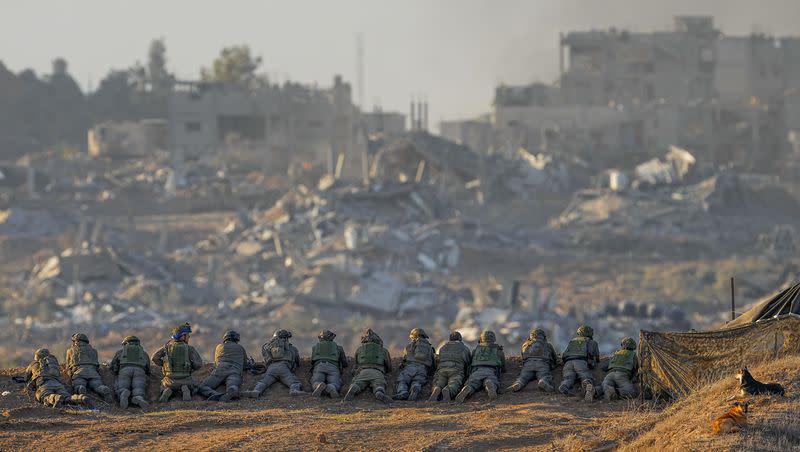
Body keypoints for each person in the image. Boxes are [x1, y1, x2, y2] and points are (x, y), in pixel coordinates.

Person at [243, 329, 304, 397]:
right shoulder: (293, 348)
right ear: (287, 338)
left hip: (271, 369)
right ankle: (294, 390)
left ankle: (256, 390)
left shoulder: (267, 347)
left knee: (263, 382)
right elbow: (297, 362)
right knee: (294, 382)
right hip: (284, 368)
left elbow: (266, 359)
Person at [152, 322, 203, 402]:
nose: (189, 336)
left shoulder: (166, 347)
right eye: (187, 335)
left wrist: (164, 364)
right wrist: (191, 366)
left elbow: (154, 358)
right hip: (186, 380)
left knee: (163, 385)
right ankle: (185, 390)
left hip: (170, 381)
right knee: (195, 387)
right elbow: (198, 365)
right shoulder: (189, 349)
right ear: (182, 336)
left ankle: (167, 391)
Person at [25, 348, 90, 408]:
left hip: (45, 385)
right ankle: (80, 398)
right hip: (58, 384)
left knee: (44, 396)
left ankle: (56, 398)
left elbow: (26, 377)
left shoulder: (33, 364)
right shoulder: (53, 362)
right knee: (67, 397)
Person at [343, 329, 393, 404]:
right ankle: (379, 392)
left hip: (363, 372)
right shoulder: (383, 350)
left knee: (358, 383)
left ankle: (354, 388)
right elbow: (389, 366)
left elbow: (356, 364)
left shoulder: (359, 349)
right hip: (377, 372)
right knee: (379, 384)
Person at [454, 331, 506, 403]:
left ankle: (468, 388)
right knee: (492, 380)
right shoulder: (498, 350)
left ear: (482, 339)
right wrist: (503, 370)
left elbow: (470, 362)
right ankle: (490, 385)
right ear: (493, 339)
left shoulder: (476, 350)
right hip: (491, 370)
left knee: (472, 383)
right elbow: (502, 364)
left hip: (477, 370)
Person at [198, 330, 249, 402]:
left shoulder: (219, 347)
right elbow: (245, 365)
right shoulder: (240, 348)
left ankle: (214, 394)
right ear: (236, 339)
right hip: (234, 372)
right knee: (233, 386)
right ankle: (231, 392)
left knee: (203, 386)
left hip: (220, 371)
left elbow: (216, 363)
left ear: (225, 338)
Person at [66, 333, 113, 403]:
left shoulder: (70, 350)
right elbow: (97, 365)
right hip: (93, 372)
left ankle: (80, 388)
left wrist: (70, 377)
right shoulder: (93, 351)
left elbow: (68, 366)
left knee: (78, 384)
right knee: (97, 385)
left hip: (79, 372)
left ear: (76, 341)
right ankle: (103, 389)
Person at [506, 328, 558, 393]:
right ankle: (543, 381)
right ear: (543, 337)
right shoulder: (548, 345)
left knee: (522, 377)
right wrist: (554, 365)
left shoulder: (525, 345)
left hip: (528, 365)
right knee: (544, 376)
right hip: (542, 365)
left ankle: (518, 384)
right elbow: (555, 358)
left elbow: (523, 357)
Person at [558, 325, 600, 402]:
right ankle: (587, 384)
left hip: (568, 363)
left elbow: (564, 355)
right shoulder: (592, 342)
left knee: (568, 378)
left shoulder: (572, 341)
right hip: (581, 362)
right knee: (585, 375)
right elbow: (596, 357)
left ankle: (564, 385)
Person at [393, 328, 436, 401]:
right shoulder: (430, 348)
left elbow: (405, 359)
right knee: (417, 381)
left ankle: (402, 391)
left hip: (410, 367)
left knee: (402, 380)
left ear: (413, 336)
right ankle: (415, 387)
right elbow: (432, 363)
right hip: (422, 369)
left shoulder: (409, 346)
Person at [429, 331, 471, 402]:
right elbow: (468, 361)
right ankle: (448, 390)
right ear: (460, 339)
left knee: (438, 382)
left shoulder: (443, 347)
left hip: (442, 369)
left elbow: (439, 359)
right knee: (454, 383)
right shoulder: (464, 348)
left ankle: (437, 389)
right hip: (456, 370)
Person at [109, 335, 151, 409]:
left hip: (125, 370)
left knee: (122, 386)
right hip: (140, 371)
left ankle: (123, 392)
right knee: (139, 388)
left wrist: (116, 372)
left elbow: (113, 365)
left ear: (125, 343)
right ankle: (138, 397)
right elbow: (148, 368)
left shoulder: (120, 351)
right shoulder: (144, 353)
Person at [310, 330, 348, 398]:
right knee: (336, 383)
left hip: (319, 366)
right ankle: (332, 386)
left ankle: (318, 385)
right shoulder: (338, 347)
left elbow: (312, 361)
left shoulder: (314, 347)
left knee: (315, 381)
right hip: (333, 367)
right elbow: (344, 362)